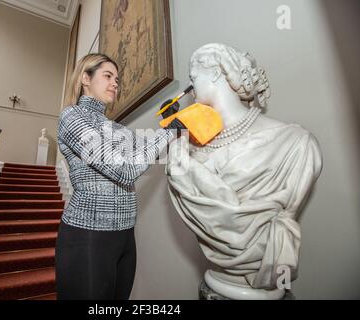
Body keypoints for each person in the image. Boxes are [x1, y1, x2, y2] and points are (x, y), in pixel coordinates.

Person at [166, 43, 323, 300]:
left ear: (216, 73)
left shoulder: (296, 144)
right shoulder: (183, 154)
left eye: (193, 78)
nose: (191, 89)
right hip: (218, 281)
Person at [56, 53, 180, 300]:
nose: (116, 83)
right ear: (85, 78)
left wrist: (168, 122)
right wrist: (169, 132)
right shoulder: (71, 117)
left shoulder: (113, 127)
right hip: (87, 236)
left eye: (117, 78)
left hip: (124, 234)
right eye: (108, 76)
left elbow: (148, 151)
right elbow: (125, 169)